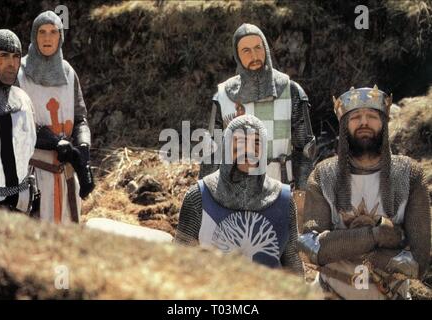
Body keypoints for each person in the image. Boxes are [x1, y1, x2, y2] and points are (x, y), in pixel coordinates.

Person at [298, 86, 431, 299]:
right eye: (355, 117)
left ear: (384, 123)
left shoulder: (409, 174)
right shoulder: (325, 174)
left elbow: (418, 262)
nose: (364, 122)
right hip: (331, 294)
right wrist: (377, 235)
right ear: (343, 125)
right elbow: (311, 249)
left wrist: (340, 243)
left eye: (371, 116)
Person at [176, 114, 303, 274]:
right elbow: (180, 265)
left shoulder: (283, 200)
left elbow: (292, 262)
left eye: (256, 142)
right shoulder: (199, 197)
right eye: (241, 141)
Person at [199, 23, 316, 192]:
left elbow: (304, 151)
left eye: (257, 48)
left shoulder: (291, 91)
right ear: (237, 55)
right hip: (237, 192)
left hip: (282, 189)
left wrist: (303, 194)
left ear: (265, 48)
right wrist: (206, 199)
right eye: (246, 51)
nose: (254, 55)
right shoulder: (224, 96)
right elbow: (213, 153)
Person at [18, 11, 94, 224]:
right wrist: (55, 142)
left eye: (53, 32)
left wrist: (84, 158)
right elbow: (18, 125)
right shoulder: (20, 74)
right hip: (32, 175)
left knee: (66, 243)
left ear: (60, 37)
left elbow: (80, 119)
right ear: (34, 36)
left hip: (66, 175)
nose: (47, 38)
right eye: (42, 32)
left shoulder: (68, 73)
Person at [0, 29, 37, 213]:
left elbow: (29, 148)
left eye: (16, 56)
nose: (11, 64)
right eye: (4, 56)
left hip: (22, 203)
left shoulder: (24, 101)